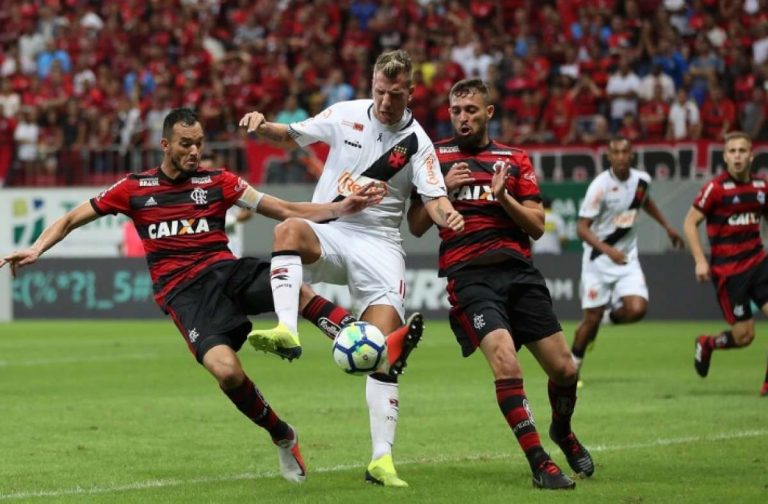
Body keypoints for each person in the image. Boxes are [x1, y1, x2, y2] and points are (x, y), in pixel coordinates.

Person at [0, 108, 395, 484]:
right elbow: (71, 217)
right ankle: (282, 435)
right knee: (228, 373)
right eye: (186, 144)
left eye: (199, 143)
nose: (194, 151)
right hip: (184, 296)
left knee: (289, 284)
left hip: (226, 272)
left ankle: (354, 334)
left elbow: (284, 207)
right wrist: (36, 248)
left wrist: (341, 208)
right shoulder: (136, 188)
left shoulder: (218, 181)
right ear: (165, 145)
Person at [238, 50, 464, 487]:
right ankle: (287, 328)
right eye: (379, 91)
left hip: (380, 247)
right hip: (334, 228)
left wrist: (447, 214)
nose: (384, 102)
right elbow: (292, 135)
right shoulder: (345, 115)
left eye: (394, 95)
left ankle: (381, 460)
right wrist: (262, 125)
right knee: (287, 231)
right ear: (372, 85)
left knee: (382, 352)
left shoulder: (418, 143)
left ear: (410, 93)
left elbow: (434, 198)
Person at [407, 78, 592, 490]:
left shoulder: (514, 158)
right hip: (469, 277)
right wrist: (445, 192)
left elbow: (539, 227)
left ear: (488, 112)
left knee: (564, 369)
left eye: (471, 109)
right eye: (456, 110)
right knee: (506, 361)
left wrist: (504, 197)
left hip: (519, 273)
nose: (463, 117)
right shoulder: (435, 158)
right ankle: (540, 462)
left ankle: (562, 430)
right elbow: (416, 225)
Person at [571, 137, 684, 377]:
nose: (621, 156)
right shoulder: (599, 186)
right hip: (598, 260)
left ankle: (605, 320)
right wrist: (608, 250)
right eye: (616, 152)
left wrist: (667, 226)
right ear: (609, 157)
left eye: (625, 152)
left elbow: (645, 202)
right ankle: (573, 368)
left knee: (637, 309)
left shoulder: (641, 180)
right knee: (589, 320)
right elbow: (581, 228)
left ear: (631, 155)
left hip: (626, 257)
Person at [683, 131, 768, 397]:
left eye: (742, 151)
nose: (737, 156)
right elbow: (689, 223)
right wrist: (700, 260)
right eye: (732, 151)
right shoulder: (715, 189)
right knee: (744, 336)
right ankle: (708, 343)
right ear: (725, 157)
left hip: (759, 263)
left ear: (751, 156)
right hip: (730, 273)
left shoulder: (761, 187)